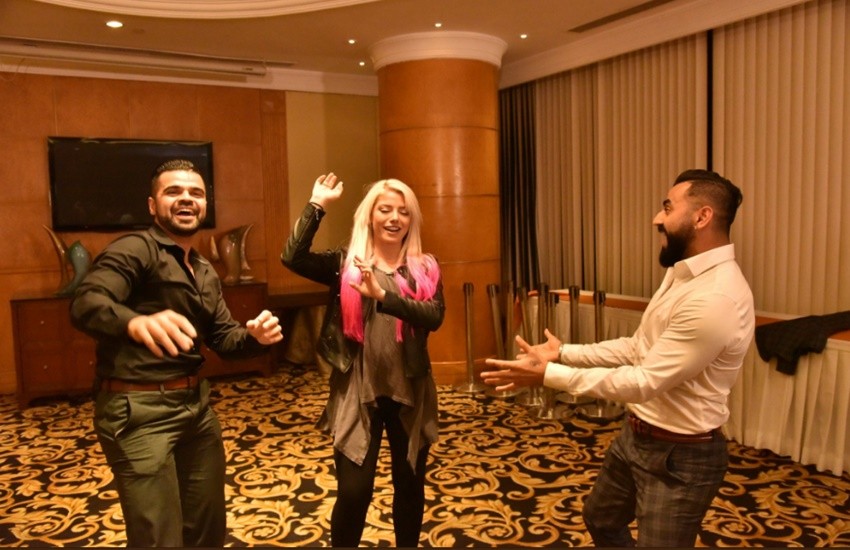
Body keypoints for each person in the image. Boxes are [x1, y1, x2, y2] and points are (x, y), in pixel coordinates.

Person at [482, 169, 755, 547]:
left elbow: (644, 381)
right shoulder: (682, 273)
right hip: (636, 435)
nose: (657, 219)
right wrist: (563, 352)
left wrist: (549, 375)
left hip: (681, 457)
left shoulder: (716, 297)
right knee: (601, 519)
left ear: (702, 216)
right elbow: (638, 347)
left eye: (667, 208)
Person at [70, 159, 283, 547]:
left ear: (205, 205)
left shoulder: (204, 269)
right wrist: (134, 322)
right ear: (153, 206)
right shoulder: (136, 248)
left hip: (195, 409)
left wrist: (254, 337)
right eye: (174, 191)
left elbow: (224, 338)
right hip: (138, 413)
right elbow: (87, 302)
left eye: (195, 193)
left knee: (206, 529)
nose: (186, 198)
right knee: (159, 538)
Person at [281, 173, 445, 547]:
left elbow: (434, 316)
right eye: (384, 209)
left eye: (403, 211)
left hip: (410, 392)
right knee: (354, 492)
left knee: (409, 488)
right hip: (357, 391)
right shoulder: (346, 263)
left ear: (411, 220)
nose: (394, 218)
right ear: (370, 216)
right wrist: (317, 205)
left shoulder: (425, 268)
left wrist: (384, 296)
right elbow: (292, 257)